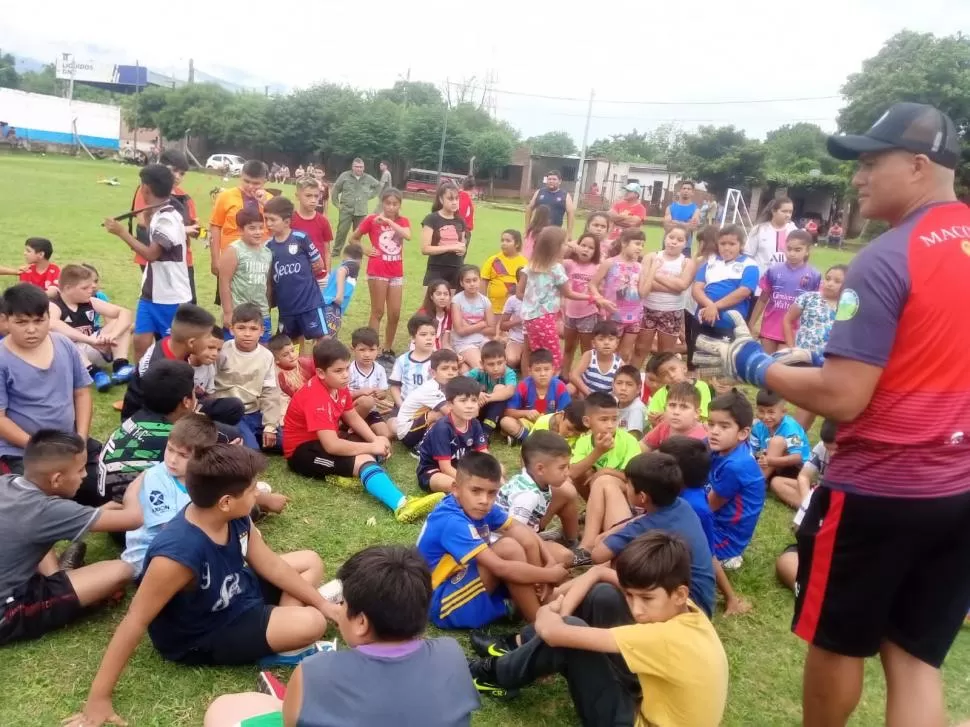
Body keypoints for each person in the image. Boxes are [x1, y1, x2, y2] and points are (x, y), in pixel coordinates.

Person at [696, 104, 970, 727]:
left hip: (881, 490)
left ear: (919, 165)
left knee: (838, 641)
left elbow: (846, 398)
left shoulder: (886, 256)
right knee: (914, 657)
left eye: (872, 162)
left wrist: (752, 363)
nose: (857, 177)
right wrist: (821, 352)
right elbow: (937, 342)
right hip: (960, 486)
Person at [65, 446, 330, 727]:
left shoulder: (234, 515)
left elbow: (271, 565)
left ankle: (280, 635)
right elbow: (135, 620)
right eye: (253, 490)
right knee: (312, 622)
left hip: (234, 590)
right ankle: (280, 634)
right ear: (226, 501)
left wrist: (327, 606)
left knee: (309, 561)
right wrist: (98, 698)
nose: (257, 495)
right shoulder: (177, 553)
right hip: (205, 632)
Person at [467, 532, 728, 727]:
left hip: (636, 719)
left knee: (569, 634)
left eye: (646, 599)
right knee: (604, 596)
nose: (636, 610)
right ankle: (519, 646)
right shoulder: (684, 608)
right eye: (631, 595)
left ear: (680, 594)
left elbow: (554, 632)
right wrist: (563, 607)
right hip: (649, 698)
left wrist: (552, 612)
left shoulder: (664, 638)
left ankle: (488, 672)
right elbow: (599, 575)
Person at [202, 546, 480, 727]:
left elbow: (289, 723)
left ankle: (288, 698)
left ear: (360, 622)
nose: (338, 608)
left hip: (313, 694)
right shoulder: (451, 654)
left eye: (343, 603)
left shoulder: (315, 671)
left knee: (224, 709)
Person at [0, 431, 139, 647]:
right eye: (81, 469)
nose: (85, 475)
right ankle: (67, 589)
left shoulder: (8, 483)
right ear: (56, 479)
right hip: (7, 611)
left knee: (35, 536)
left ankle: (59, 577)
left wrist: (96, 513)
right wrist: (139, 481)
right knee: (121, 571)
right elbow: (133, 519)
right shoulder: (47, 510)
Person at [283, 339, 443, 523]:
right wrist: (371, 447)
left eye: (346, 368)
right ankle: (401, 505)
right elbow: (332, 445)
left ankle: (348, 474)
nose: (345, 375)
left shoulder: (338, 386)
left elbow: (352, 416)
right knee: (366, 458)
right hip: (302, 453)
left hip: (324, 439)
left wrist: (375, 439)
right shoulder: (315, 397)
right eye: (338, 371)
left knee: (378, 445)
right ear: (320, 373)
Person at [416, 452, 568, 628]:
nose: (484, 500)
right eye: (475, 491)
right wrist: (550, 574)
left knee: (559, 555)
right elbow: (499, 567)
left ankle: (531, 601)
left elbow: (519, 528)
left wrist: (548, 561)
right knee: (508, 548)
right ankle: (538, 624)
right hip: (442, 601)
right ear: (456, 489)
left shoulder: (480, 506)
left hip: (468, 578)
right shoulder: (451, 520)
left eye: (492, 493)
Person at [0, 284, 105, 505]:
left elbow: (82, 393)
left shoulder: (64, 344)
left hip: (68, 443)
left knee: (102, 488)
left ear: (50, 317)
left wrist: (81, 439)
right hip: (23, 451)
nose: (31, 329)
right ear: (5, 321)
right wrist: (42, 449)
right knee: (31, 505)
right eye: (21, 322)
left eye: (39, 320)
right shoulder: (2, 359)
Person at [589, 452, 716, 617]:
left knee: (611, 567)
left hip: (687, 608)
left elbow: (597, 555)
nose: (625, 487)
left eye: (627, 484)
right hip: (701, 599)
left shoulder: (646, 525)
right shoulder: (682, 505)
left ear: (642, 497)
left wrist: (611, 532)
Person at [103, 164, 192, 362]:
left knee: (174, 351)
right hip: (150, 294)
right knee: (140, 344)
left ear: (145, 188)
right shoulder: (159, 213)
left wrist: (122, 232)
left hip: (172, 296)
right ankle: (140, 385)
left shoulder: (168, 218)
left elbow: (152, 254)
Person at [119, 414, 220, 576]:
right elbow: (170, 531)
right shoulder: (156, 477)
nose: (172, 460)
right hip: (147, 558)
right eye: (170, 449)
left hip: (184, 547)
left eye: (183, 455)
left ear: (203, 458)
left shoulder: (201, 477)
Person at [98, 360, 199, 505]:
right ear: (186, 401)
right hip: (138, 517)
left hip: (111, 504)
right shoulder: (174, 437)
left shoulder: (136, 418)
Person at [520, 226, 607, 372]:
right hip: (545, 318)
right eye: (564, 244)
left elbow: (519, 292)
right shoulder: (556, 269)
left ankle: (530, 386)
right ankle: (551, 389)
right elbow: (569, 293)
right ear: (556, 247)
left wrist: (533, 300)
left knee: (535, 352)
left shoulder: (531, 265)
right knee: (554, 359)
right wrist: (592, 297)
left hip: (529, 318)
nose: (567, 247)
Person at [568, 392, 641, 553]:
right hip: (595, 490)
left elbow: (634, 479)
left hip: (624, 494)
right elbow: (572, 473)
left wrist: (605, 472)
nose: (610, 425)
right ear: (587, 422)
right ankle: (597, 519)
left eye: (614, 419)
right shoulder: (584, 442)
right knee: (583, 472)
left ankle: (587, 545)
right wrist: (598, 452)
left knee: (604, 480)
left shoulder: (629, 441)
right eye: (603, 419)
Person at [120, 304, 216, 421]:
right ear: (191, 342)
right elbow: (163, 415)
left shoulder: (172, 344)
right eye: (208, 336)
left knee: (232, 406)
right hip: (152, 422)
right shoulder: (162, 369)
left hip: (178, 407)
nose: (211, 340)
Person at [128, 149, 199, 304]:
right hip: (155, 257)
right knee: (161, 303)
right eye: (174, 170)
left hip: (182, 258)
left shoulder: (185, 196)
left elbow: (193, 223)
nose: (177, 177)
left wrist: (198, 231)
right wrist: (182, 229)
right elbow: (142, 220)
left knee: (188, 306)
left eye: (182, 173)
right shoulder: (147, 190)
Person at [48, 264, 134, 392]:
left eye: (91, 286)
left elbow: (125, 313)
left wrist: (113, 335)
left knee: (121, 322)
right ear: (68, 288)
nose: (91, 290)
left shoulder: (90, 301)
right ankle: (95, 373)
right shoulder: (54, 305)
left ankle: (120, 366)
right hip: (70, 356)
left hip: (94, 347)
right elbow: (53, 324)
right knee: (62, 340)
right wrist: (89, 340)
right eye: (85, 288)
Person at [497, 431, 581, 561]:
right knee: (566, 557)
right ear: (540, 469)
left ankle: (571, 541)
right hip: (502, 545)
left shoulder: (530, 478)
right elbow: (513, 534)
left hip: (525, 530)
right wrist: (541, 551)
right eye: (562, 467)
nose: (567, 472)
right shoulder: (528, 496)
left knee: (567, 492)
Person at [705, 392, 765, 570]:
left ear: (743, 433)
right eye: (710, 424)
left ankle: (727, 559)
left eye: (724, 426)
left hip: (725, 539)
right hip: (715, 523)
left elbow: (708, 507)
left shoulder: (737, 466)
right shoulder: (723, 446)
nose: (714, 431)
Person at [213, 304, 282, 452]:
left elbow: (270, 392)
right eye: (241, 328)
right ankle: (243, 438)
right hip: (232, 414)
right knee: (251, 452)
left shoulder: (266, 356)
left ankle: (253, 435)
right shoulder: (223, 351)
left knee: (286, 443)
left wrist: (270, 426)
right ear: (231, 329)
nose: (247, 334)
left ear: (262, 331)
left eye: (253, 329)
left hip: (254, 413)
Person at [352, 188, 409, 363]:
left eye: (395, 204)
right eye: (388, 203)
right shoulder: (371, 220)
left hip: (396, 271)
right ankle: (371, 348)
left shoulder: (402, 221)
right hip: (378, 270)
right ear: (382, 203)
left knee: (395, 313)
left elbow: (407, 235)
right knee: (378, 311)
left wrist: (388, 221)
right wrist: (365, 249)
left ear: (399, 204)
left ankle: (387, 348)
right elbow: (353, 238)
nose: (391, 207)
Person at [265, 195, 328, 348]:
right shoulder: (268, 247)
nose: (268, 224)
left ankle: (321, 368)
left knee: (322, 339)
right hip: (286, 307)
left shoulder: (300, 238)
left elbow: (319, 263)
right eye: (266, 219)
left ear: (286, 222)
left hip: (310, 304)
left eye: (272, 220)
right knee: (290, 344)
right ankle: (297, 369)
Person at [590, 229, 660, 363]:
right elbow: (592, 284)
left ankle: (619, 380)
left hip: (634, 318)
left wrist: (652, 270)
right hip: (613, 316)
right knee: (608, 351)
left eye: (642, 245)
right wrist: (600, 299)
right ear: (623, 242)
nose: (640, 248)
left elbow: (643, 293)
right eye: (637, 244)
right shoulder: (610, 263)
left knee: (625, 354)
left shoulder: (639, 267)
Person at [749, 231, 821, 353]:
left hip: (794, 331)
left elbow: (815, 306)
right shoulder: (773, 270)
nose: (792, 253)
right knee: (767, 363)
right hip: (770, 328)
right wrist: (751, 324)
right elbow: (762, 299)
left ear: (807, 251)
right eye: (789, 249)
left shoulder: (814, 275)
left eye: (798, 250)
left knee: (783, 364)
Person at [209, 160, 269, 304]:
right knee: (228, 302)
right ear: (241, 176)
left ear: (265, 181)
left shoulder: (269, 200)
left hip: (259, 265)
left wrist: (266, 205)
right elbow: (215, 226)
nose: (250, 186)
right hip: (231, 261)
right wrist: (215, 259)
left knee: (257, 304)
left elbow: (277, 228)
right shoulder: (225, 197)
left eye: (256, 183)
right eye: (246, 181)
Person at [416, 377, 489, 493]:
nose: (470, 405)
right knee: (456, 486)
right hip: (434, 471)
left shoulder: (474, 423)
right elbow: (445, 468)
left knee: (496, 470)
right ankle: (442, 499)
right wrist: (472, 483)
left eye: (474, 400)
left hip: (461, 467)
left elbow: (484, 454)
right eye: (463, 401)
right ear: (450, 404)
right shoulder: (442, 428)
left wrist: (494, 474)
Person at [637, 224, 697, 363]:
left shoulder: (687, 262)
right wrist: (673, 286)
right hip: (647, 309)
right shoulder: (651, 257)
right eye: (671, 237)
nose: (674, 241)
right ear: (665, 237)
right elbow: (644, 285)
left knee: (666, 353)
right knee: (640, 348)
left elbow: (682, 286)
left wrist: (653, 275)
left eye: (679, 239)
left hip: (671, 312)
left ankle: (662, 382)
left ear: (685, 243)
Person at [691, 224, 759, 345]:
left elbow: (743, 291)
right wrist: (710, 306)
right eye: (723, 244)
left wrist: (715, 307)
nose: (727, 248)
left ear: (741, 245)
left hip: (729, 324)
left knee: (723, 359)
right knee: (698, 358)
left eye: (732, 244)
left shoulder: (749, 265)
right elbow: (696, 289)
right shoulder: (711, 261)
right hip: (703, 319)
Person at [218, 207, 273, 340]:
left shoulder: (267, 252)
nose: (258, 232)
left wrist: (268, 308)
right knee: (235, 351)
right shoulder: (234, 250)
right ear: (240, 230)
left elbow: (267, 284)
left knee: (262, 350)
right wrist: (228, 312)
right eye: (252, 228)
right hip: (239, 313)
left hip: (261, 313)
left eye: (261, 227)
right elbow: (224, 282)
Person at [500, 349, 571, 444]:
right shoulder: (524, 386)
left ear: (553, 370)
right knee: (505, 422)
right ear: (530, 371)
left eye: (546, 369)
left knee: (565, 424)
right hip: (528, 423)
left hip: (550, 425)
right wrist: (526, 413)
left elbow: (565, 414)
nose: (542, 374)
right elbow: (508, 412)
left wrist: (551, 420)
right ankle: (531, 440)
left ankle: (522, 438)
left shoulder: (560, 386)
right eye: (537, 370)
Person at [396, 349, 460, 451]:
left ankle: (439, 441)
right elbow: (449, 413)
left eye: (454, 369)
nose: (450, 373)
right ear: (433, 372)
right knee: (440, 414)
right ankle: (421, 447)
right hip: (407, 433)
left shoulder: (446, 387)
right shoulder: (431, 388)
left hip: (419, 425)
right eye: (445, 368)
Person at [770, 418, 837, 509]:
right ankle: (810, 508)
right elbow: (804, 476)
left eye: (836, 449)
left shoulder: (855, 455)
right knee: (777, 482)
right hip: (819, 491)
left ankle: (817, 510)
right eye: (828, 448)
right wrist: (807, 499)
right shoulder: (821, 447)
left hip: (839, 496)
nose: (831, 453)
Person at [561, 232, 602, 374]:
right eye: (583, 245)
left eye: (591, 248)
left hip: (588, 314)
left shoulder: (597, 267)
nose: (585, 249)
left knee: (587, 350)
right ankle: (564, 375)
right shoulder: (569, 264)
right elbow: (554, 258)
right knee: (569, 347)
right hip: (570, 313)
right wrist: (571, 245)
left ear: (596, 251)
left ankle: (585, 376)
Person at [783, 263, 847, 352]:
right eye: (828, 279)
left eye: (837, 281)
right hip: (803, 356)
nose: (830, 284)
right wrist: (792, 348)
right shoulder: (808, 298)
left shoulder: (848, 307)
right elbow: (787, 320)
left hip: (831, 359)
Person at [388, 315, 439, 428]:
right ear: (413, 338)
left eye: (433, 334)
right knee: (392, 426)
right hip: (405, 405)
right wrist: (401, 405)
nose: (429, 338)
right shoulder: (402, 360)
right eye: (423, 334)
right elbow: (394, 386)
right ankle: (414, 430)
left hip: (430, 407)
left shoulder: (439, 360)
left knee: (437, 425)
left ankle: (420, 432)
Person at [750, 389, 810, 483]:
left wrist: (770, 460)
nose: (765, 417)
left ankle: (755, 483)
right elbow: (753, 452)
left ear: (783, 411)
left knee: (776, 442)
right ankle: (758, 479)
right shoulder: (758, 427)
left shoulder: (791, 427)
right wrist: (761, 456)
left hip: (795, 469)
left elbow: (797, 457)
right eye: (761, 411)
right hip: (771, 465)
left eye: (771, 412)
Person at [465, 339, 517, 439]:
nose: (496, 368)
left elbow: (509, 391)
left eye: (500, 363)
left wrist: (487, 398)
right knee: (472, 391)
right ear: (482, 364)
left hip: (504, 413)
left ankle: (486, 433)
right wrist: (477, 393)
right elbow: (461, 382)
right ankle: (472, 428)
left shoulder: (509, 373)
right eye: (491, 364)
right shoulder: (479, 371)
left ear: (506, 361)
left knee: (500, 388)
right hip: (483, 409)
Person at [421, 182, 467, 290]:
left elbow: (462, 246)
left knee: (452, 306)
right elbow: (425, 249)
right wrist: (451, 247)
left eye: (456, 199)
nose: (454, 202)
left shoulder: (460, 221)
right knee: (431, 305)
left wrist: (462, 250)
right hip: (436, 270)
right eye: (450, 199)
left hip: (456, 270)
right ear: (441, 200)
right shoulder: (431, 219)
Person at [348, 327, 392, 438]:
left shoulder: (380, 369)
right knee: (366, 401)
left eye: (371, 350)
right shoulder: (348, 369)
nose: (367, 354)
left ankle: (361, 430)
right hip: (351, 411)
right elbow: (341, 397)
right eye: (362, 350)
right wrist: (360, 392)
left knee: (386, 434)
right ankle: (350, 428)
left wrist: (382, 394)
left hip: (371, 411)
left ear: (378, 349)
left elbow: (383, 393)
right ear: (353, 349)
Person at [646, 352, 712, 426]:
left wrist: (669, 417)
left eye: (673, 369)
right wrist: (654, 420)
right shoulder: (660, 394)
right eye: (664, 374)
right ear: (660, 380)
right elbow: (653, 420)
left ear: (684, 367)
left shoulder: (701, 386)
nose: (671, 375)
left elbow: (701, 416)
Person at [332, 158, 380, 257]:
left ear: (364, 167)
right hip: (346, 209)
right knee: (342, 231)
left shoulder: (368, 178)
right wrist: (337, 204)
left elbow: (378, 186)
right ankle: (336, 252)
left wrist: (369, 195)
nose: (359, 169)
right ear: (352, 167)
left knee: (358, 234)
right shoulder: (344, 176)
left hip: (361, 210)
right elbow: (336, 189)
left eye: (361, 167)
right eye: (356, 167)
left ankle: (355, 253)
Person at [450, 264, 495, 371]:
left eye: (475, 280)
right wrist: (482, 324)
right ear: (462, 283)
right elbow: (460, 331)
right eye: (468, 281)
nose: (472, 284)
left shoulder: (485, 301)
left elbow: (492, 330)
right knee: (482, 367)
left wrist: (469, 327)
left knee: (496, 361)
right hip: (464, 343)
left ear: (479, 280)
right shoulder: (457, 301)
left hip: (482, 340)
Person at [743, 196, 797, 281]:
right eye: (784, 211)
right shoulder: (759, 230)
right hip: (760, 282)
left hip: (784, 282)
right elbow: (748, 255)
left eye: (790, 212)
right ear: (773, 211)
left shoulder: (793, 231)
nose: (788, 215)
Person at [290, 177, 334, 280]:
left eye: (316, 196)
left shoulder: (323, 221)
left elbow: (327, 251)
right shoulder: (289, 220)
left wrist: (328, 274)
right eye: (308, 196)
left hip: (319, 277)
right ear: (297, 196)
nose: (313, 200)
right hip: (296, 275)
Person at [643, 381, 707, 450]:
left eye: (684, 407)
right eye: (672, 405)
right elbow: (643, 446)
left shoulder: (703, 438)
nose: (676, 412)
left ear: (697, 413)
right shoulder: (665, 426)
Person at [569, 320, 622, 398]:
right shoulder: (589, 355)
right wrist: (588, 394)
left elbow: (620, 387)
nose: (606, 343)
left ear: (617, 343)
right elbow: (574, 375)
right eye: (601, 339)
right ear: (593, 343)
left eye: (611, 339)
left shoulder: (619, 364)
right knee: (570, 388)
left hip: (605, 400)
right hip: (585, 393)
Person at [321, 242, 363, 339]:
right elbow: (342, 271)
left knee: (323, 337)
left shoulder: (340, 266)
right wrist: (339, 295)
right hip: (332, 307)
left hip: (325, 304)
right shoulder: (353, 264)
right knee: (327, 340)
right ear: (360, 259)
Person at [480, 229, 526, 316]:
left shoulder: (525, 263)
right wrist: (483, 304)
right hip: (494, 309)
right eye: (502, 240)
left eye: (508, 241)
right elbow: (483, 281)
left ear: (517, 244)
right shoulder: (493, 260)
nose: (504, 243)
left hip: (515, 310)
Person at [524, 170, 575, 234]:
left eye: (554, 179)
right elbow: (529, 208)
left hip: (554, 232)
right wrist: (527, 227)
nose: (551, 181)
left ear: (560, 181)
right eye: (549, 179)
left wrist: (569, 233)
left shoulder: (565, 195)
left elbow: (571, 213)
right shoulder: (539, 192)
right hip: (537, 231)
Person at [605, 183, 647, 250]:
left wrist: (616, 220)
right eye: (626, 191)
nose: (626, 193)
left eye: (629, 191)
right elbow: (609, 216)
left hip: (628, 242)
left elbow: (633, 223)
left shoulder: (641, 208)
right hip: (611, 239)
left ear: (636, 194)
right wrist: (623, 216)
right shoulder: (618, 204)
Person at [664, 180, 701, 254]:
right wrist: (686, 224)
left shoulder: (696, 210)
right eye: (684, 188)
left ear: (692, 192)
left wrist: (675, 222)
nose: (686, 191)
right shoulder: (670, 207)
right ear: (680, 191)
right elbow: (667, 226)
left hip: (685, 246)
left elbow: (693, 227)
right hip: (669, 243)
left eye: (688, 189)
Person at [613, 365, 647, 440]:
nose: (623, 388)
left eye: (629, 384)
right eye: (619, 383)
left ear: (638, 388)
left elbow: (632, 441)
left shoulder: (637, 409)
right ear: (613, 385)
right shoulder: (613, 402)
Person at [419, 279, 454, 351]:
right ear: (431, 296)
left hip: (439, 351)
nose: (442, 298)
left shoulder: (448, 314)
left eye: (446, 294)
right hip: (424, 351)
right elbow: (421, 343)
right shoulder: (423, 315)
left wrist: (454, 354)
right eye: (438, 294)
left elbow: (445, 343)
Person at [457, 176, 476, 247]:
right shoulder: (464, 197)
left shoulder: (460, 195)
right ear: (473, 188)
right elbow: (461, 216)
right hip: (463, 231)